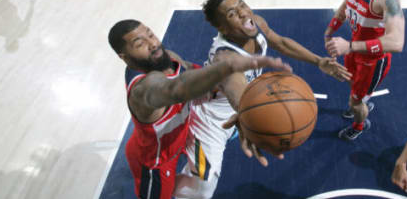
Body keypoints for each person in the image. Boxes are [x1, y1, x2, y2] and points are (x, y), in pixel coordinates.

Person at [173, 0, 351, 199]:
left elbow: (280, 42)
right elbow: (237, 93)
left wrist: (318, 61)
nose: (243, 12)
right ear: (222, 28)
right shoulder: (225, 58)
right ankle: (167, 189)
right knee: (203, 185)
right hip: (208, 122)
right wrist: (254, 121)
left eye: (241, 4)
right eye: (232, 14)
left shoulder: (254, 22)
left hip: (234, 113)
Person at [108, 19, 291, 199]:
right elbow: (176, 88)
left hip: (184, 130)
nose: (153, 44)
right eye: (140, 43)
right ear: (124, 57)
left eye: (150, 34)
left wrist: (237, 99)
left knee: (205, 184)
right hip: (157, 159)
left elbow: (189, 71)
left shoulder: (166, 57)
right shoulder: (143, 90)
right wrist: (226, 67)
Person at [325, 0, 405, 140]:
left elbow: (396, 42)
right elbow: (344, 7)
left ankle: (360, 125)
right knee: (352, 86)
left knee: (355, 102)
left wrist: (349, 45)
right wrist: (329, 31)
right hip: (353, 52)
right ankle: (361, 100)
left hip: (373, 61)